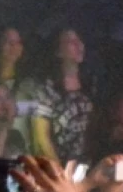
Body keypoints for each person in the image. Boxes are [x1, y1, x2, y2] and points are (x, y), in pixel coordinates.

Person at [33, 28, 94, 163]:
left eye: (79, 40)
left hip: (88, 164)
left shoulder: (90, 85)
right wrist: (59, 170)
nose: (79, 45)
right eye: (71, 41)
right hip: (59, 164)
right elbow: (42, 137)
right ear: (59, 51)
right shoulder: (47, 89)